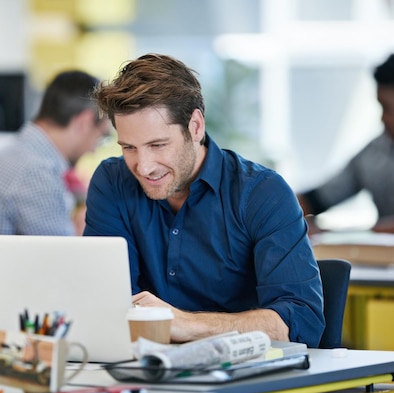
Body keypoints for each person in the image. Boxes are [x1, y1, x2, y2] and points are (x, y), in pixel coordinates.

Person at [84, 54, 324, 346]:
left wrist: (185, 324)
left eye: (157, 145)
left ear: (195, 126)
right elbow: (109, 305)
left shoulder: (262, 193)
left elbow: (302, 320)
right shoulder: (112, 183)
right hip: (146, 372)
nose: (143, 166)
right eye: (129, 148)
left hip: (243, 379)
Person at [0, 70, 110, 282]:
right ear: (84, 122)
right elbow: (66, 265)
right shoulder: (36, 171)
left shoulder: (8, 154)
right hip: (5, 302)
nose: (94, 149)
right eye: (101, 136)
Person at [297, 52, 394, 236]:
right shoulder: (375, 151)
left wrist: (344, 235)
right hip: (381, 263)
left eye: (387, 108)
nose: (383, 118)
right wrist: (274, 210)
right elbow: (318, 198)